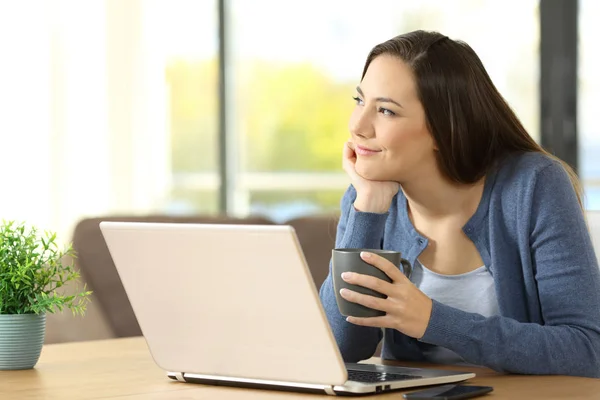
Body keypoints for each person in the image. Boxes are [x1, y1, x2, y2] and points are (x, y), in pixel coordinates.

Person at [319, 30, 600, 378]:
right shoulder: (369, 197)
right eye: (360, 101)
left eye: (386, 111)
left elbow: (587, 349)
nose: (358, 126)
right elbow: (339, 347)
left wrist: (433, 321)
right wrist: (368, 210)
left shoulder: (534, 185)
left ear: (443, 128)